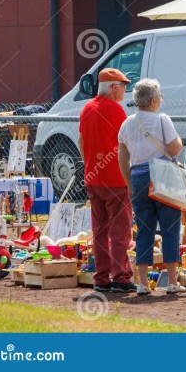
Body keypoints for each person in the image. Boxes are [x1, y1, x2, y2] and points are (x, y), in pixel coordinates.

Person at [117, 78, 186, 296]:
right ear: (154, 100)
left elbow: (122, 156)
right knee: (170, 227)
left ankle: (143, 282)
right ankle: (172, 281)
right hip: (162, 176)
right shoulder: (162, 119)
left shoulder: (127, 124)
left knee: (144, 230)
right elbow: (175, 149)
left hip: (137, 176)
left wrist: (129, 183)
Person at [78, 68, 135, 293]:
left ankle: (101, 277)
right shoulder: (115, 110)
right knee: (120, 231)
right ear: (113, 87)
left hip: (94, 177)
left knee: (100, 229)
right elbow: (126, 145)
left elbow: (81, 141)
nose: (125, 90)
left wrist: (90, 165)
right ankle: (121, 277)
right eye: (122, 86)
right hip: (115, 178)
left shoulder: (87, 108)